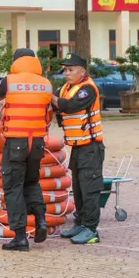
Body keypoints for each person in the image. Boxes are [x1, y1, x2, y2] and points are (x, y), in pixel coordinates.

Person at [0, 48, 53, 251]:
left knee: (13, 187)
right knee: (32, 182)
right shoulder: (46, 84)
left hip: (15, 142)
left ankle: (20, 236)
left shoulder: (9, 81)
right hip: (36, 143)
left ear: (16, 61)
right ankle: (41, 221)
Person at [52, 52, 105, 245]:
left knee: (90, 189)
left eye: (70, 69)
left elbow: (69, 106)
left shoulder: (87, 89)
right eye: (65, 69)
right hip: (77, 147)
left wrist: (48, 95)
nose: (66, 73)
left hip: (91, 147)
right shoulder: (66, 88)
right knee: (79, 188)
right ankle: (80, 223)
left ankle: (91, 229)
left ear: (82, 71)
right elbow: (55, 104)